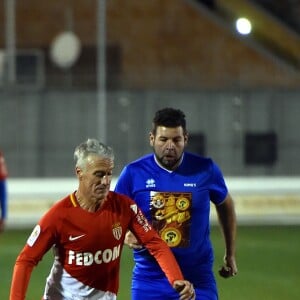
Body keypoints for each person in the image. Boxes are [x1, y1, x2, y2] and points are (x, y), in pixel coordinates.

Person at [10, 138, 195, 300]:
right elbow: (25, 260)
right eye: (99, 174)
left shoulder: (124, 207)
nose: (106, 181)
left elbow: (154, 242)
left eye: (109, 173)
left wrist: (176, 278)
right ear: (79, 173)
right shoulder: (59, 216)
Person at [114, 108, 238, 300]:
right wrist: (124, 235)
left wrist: (230, 253)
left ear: (185, 139)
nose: (170, 146)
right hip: (151, 280)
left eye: (176, 140)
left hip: (198, 279)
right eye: (163, 140)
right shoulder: (133, 173)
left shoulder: (206, 170)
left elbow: (226, 205)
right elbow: (111, 216)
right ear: (152, 139)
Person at [0, 149, 8, 233]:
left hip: (2, 180)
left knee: (3, 201)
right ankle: (3, 220)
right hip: (2, 180)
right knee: (3, 201)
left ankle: (3, 220)